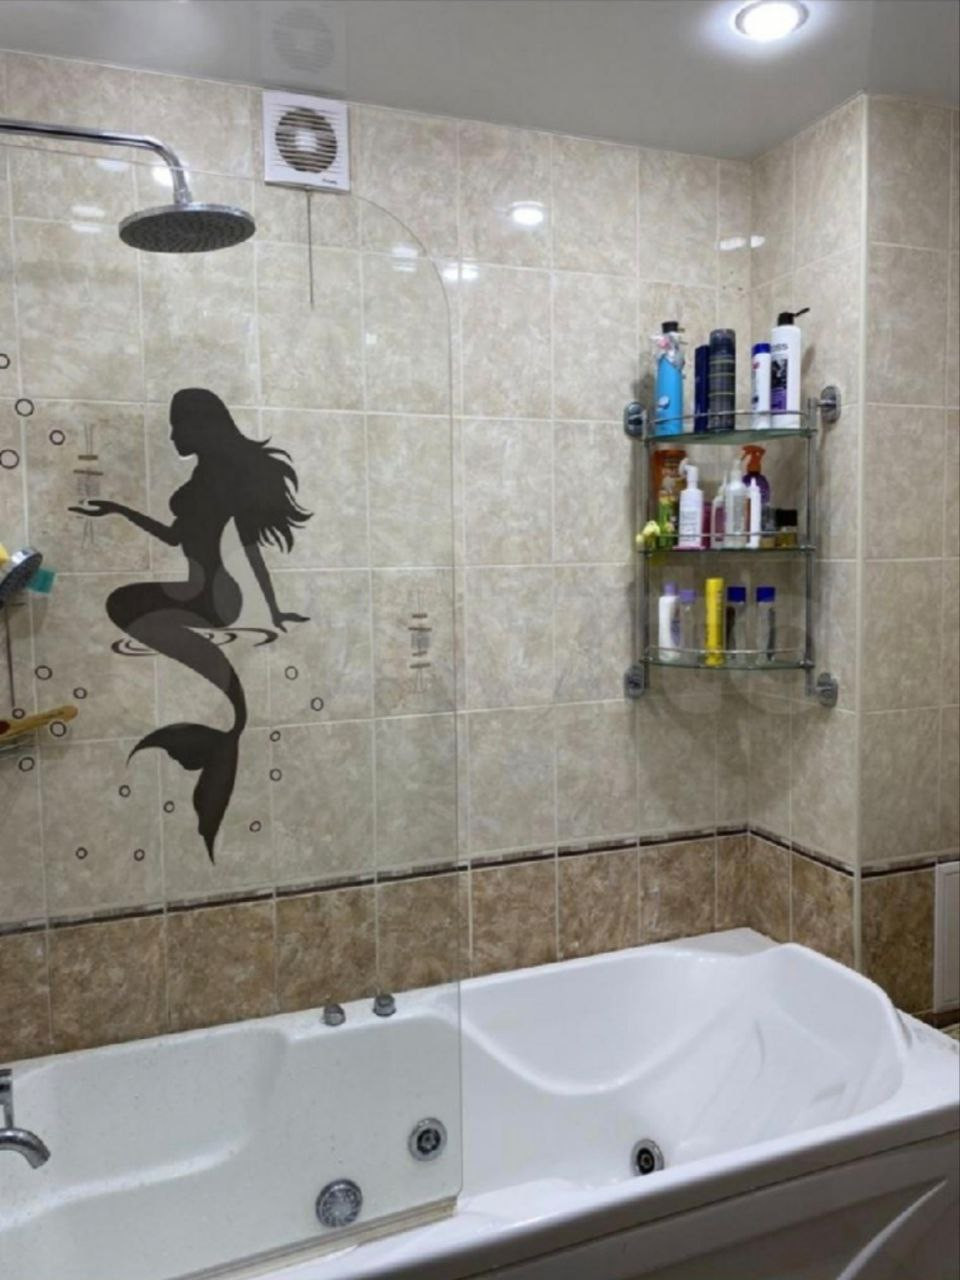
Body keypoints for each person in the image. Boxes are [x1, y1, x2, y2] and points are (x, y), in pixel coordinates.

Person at [70, 388, 310, 860]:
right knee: (124, 603)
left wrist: (271, 611)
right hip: (199, 591)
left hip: (217, 597)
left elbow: (248, 549)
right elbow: (174, 536)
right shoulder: (205, 476)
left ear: (201, 427)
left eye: (177, 425)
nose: (172, 435)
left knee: (126, 605)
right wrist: (118, 510)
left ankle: (224, 721)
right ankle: (224, 726)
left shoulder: (222, 480)